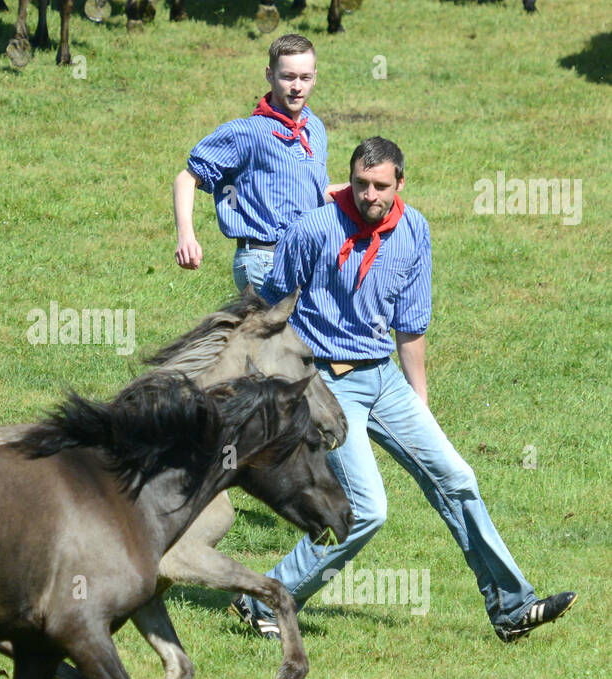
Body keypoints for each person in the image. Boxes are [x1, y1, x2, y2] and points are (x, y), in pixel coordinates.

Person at [233, 136, 576, 644]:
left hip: (384, 377)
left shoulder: (414, 231)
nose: (369, 195)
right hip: (327, 384)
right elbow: (266, 305)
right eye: (361, 184)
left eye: (380, 186)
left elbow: (410, 328)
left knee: (458, 477)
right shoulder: (314, 229)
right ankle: (265, 598)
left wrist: (420, 401)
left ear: (400, 184)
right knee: (368, 509)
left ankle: (510, 606)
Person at [173, 34, 331, 294]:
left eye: (305, 78)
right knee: (286, 335)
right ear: (269, 74)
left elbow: (315, 195)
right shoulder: (245, 133)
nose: (297, 87)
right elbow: (186, 179)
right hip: (263, 259)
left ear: (315, 75)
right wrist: (186, 237)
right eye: (288, 77)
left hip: (304, 256)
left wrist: (359, 191)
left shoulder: (314, 127)